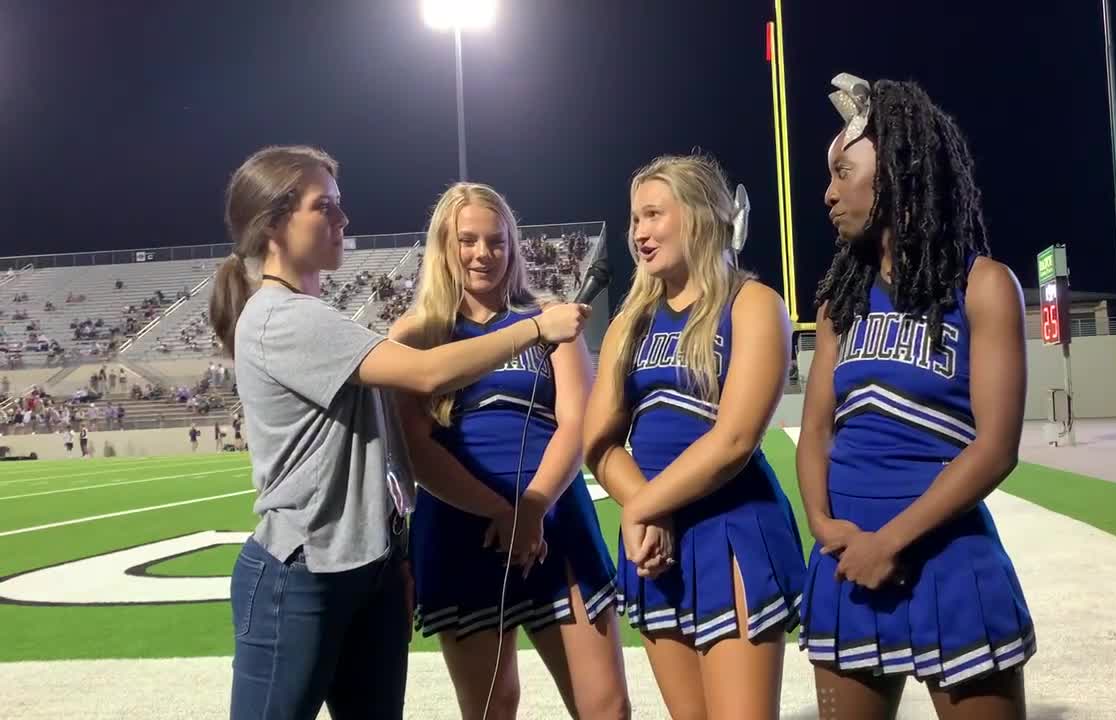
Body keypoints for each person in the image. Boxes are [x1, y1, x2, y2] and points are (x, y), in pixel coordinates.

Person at [209, 145, 590, 720]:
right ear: (273, 225)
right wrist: (537, 327)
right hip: (304, 569)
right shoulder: (283, 317)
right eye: (325, 207)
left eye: (339, 205)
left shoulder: (315, 314)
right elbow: (429, 371)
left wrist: (396, 553)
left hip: (365, 566)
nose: (342, 219)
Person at [796, 74, 1035, 719]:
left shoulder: (984, 286)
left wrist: (891, 540)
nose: (828, 192)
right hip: (847, 560)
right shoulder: (839, 303)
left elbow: (995, 448)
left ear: (898, 170)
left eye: (844, 171)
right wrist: (824, 527)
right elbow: (815, 432)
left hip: (949, 560)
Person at [389, 183, 627, 720]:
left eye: (496, 241)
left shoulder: (549, 318)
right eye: (467, 240)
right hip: (459, 525)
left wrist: (534, 506)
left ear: (513, 247)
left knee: (606, 707)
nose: (482, 254)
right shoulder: (415, 334)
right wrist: (501, 512)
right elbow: (416, 449)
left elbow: (576, 423)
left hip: (556, 519)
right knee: (493, 708)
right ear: (443, 246)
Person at [583, 154, 806, 719]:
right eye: (635, 219)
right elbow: (600, 444)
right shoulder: (628, 322)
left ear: (701, 218)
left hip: (731, 525)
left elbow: (734, 441)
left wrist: (642, 509)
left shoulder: (753, 304)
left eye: (653, 215)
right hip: (654, 537)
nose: (638, 233)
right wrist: (646, 511)